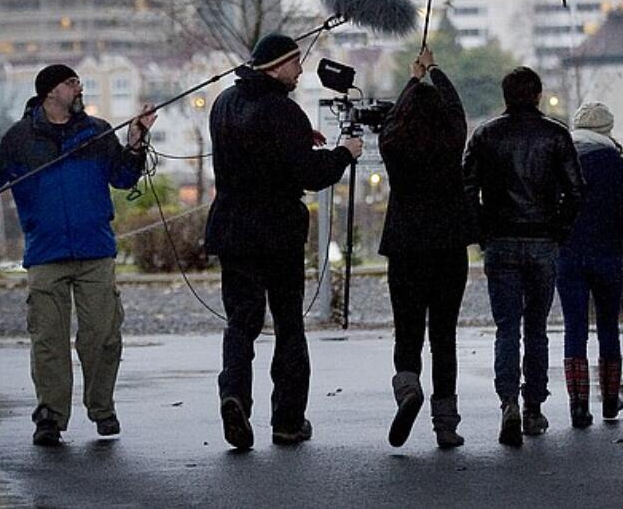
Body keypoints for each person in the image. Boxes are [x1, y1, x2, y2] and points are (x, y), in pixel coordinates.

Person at [0, 63, 156, 447]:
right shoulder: (20, 139)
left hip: (95, 251)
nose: (79, 87)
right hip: (45, 253)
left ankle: (102, 408)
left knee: (103, 335)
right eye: (72, 82)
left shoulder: (97, 131)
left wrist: (136, 142)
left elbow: (123, 176)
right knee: (48, 340)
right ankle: (50, 416)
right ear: (51, 92)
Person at [205, 33, 363, 450]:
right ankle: (288, 422)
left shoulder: (224, 104)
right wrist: (346, 151)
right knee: (289, 326)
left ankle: (233, 395)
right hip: (277, 233)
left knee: (241, 322)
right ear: (276, 67)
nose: (300, 71)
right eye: (295, 63)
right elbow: (311, 175)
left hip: (232, 229)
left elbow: (254, 148)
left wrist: (295, 139)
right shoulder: (283, 110)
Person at [463, 66, 583, 447]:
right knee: (537, 327)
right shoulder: (557, 135)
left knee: (506, 328)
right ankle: (534, 407)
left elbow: (467, 188)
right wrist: (559, 228)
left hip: (501, 239)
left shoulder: (485, 135)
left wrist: (482, 230)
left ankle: (508, 402)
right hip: (543, 240)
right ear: (538, 94)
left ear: (505, 95)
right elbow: (577, 191)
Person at [378, 45, 472, 449]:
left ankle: (408, 387)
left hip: (404, 246)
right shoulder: (452, 140)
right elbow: (457, 109)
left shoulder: (393, 144)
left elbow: (392, 121)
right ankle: (446, 424)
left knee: (408, 329)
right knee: (444, 335)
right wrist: (435, 69)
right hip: (448, 246)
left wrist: (413, 79)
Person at [556, 101, 623, 429]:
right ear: (608, 130)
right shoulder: (617, 165)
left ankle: (578, 404)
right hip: (607, 255)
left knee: (574, 327)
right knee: (608, 325)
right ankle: (609, 397)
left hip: (569, 255)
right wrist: (616, 237)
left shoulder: (561, 162)